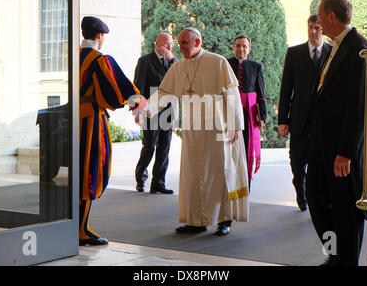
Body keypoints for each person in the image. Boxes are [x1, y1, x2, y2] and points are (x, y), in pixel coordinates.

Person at [136, 27, 249, 236]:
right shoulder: (179, 67)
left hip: (218, 129)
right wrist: (144, 110)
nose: (181, 47)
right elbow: (165, 93)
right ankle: (196, 221)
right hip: (193, 131)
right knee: (193, 175)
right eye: (179, 43)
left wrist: (235, 125)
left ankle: (224, 220)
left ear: (197, 42)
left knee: (219, 173)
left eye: (184, 43)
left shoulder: (217, 62)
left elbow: (232, 92)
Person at [307, 0, 367, 266]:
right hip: (322, 142)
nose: (318, 22)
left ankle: (346, 261)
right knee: (317, 198)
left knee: (346, 210)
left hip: (341, 149)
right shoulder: (335, 46)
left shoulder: (358, 47)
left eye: (320, 16)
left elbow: (358, 106)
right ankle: (333, 253)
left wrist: (345, 152)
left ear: (331, 17)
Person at [79, 16, 143, 246]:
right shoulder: (100, 59)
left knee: (79, 172)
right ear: (99, 36)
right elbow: (118, 91)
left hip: (72, 119)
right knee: (91, 170)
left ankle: (76, 225)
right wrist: (137, 102)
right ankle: (81, 229)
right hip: (90, 121)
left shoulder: (73, 56)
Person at [278, 15, 332, 211]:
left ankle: (314, 194)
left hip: (323, 121)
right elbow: (286, 88)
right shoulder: (294, 53)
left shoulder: (333, 53)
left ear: (323, 30)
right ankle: (300, 190)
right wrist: (283, 120)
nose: (313, 31)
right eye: (311, 27)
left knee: (319, 161)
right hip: (299, 118)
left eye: (318, 27)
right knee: (297, 161)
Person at [133, 33, 177, 194]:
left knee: (164, 147)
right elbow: (137, 87)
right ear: (157, 43)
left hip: (168, 110)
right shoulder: (145, 61)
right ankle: (140, 178)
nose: (169, 47)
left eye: (171, 44)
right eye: (166, 44)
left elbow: (180, 75)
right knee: (149, 146)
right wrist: (137, 111)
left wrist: (172, 58)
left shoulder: (174, 61)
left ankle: (158, 183)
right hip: (150, 110)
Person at [227, 35, 267, 192]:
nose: (241, 49)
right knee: (231, 148)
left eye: (244, 46)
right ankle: (230, 185)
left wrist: (262, 116)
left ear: (249, 49)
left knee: (247, 147)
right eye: (238, 46)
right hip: (230, 112)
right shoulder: (226, 64)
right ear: (233, 47)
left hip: (248, 114)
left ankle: (245, 187)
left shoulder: (256, 66)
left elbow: (261, 92)